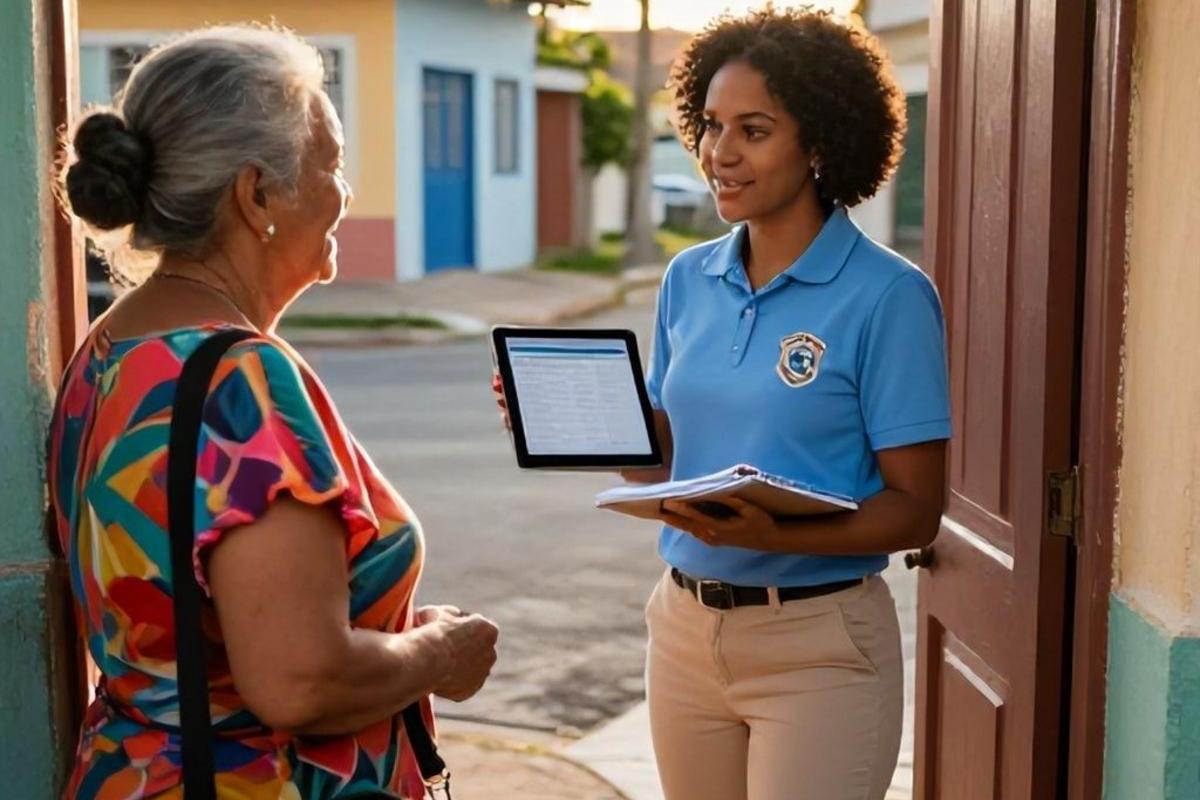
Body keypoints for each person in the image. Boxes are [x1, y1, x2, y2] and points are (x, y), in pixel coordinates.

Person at [495, 8, 949, 799]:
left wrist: (779, 530)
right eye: (709, 125)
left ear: (819, 143)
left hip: (819, 643)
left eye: (754, 129)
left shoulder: (890, 296)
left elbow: (915, 512)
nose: (719, 153)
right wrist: (572, 422)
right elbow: (666, 465)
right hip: (683, 631)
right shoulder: (687, 279)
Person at [49, 25, 498, 799]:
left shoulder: (107, 351)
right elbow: (300, 682)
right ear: (258, 194)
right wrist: (437, 654)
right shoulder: (243, 380)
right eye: (332, 165)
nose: (346, 195)